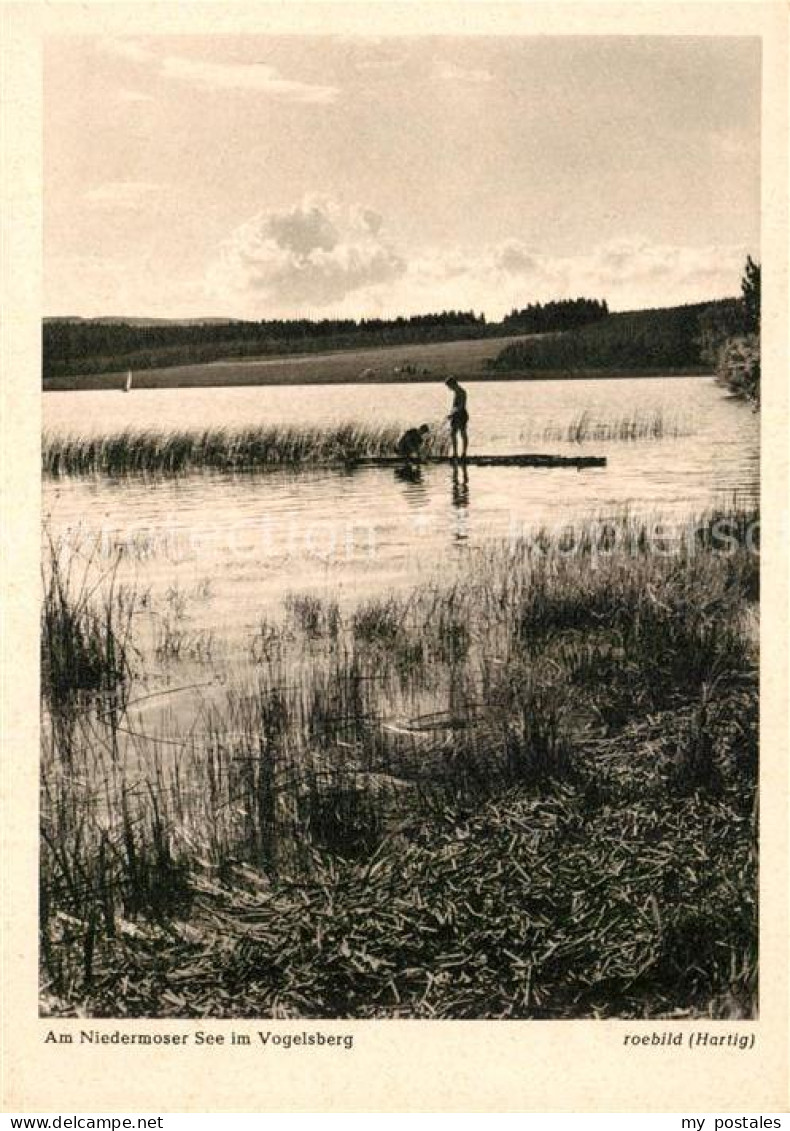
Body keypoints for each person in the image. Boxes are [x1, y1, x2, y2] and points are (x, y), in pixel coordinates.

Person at [445, 376, 468, 460]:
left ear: (453, 384)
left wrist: (452, 414)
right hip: (455, 415)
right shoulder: (456, 392)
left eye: (449, 386)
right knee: (453, 434)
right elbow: (454, 406)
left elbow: (461, 406)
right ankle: (455, 453)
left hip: (461, 415)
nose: (449, 388)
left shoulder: (462, 392)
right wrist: (451, 414)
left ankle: (464, 453)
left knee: (463, 433)